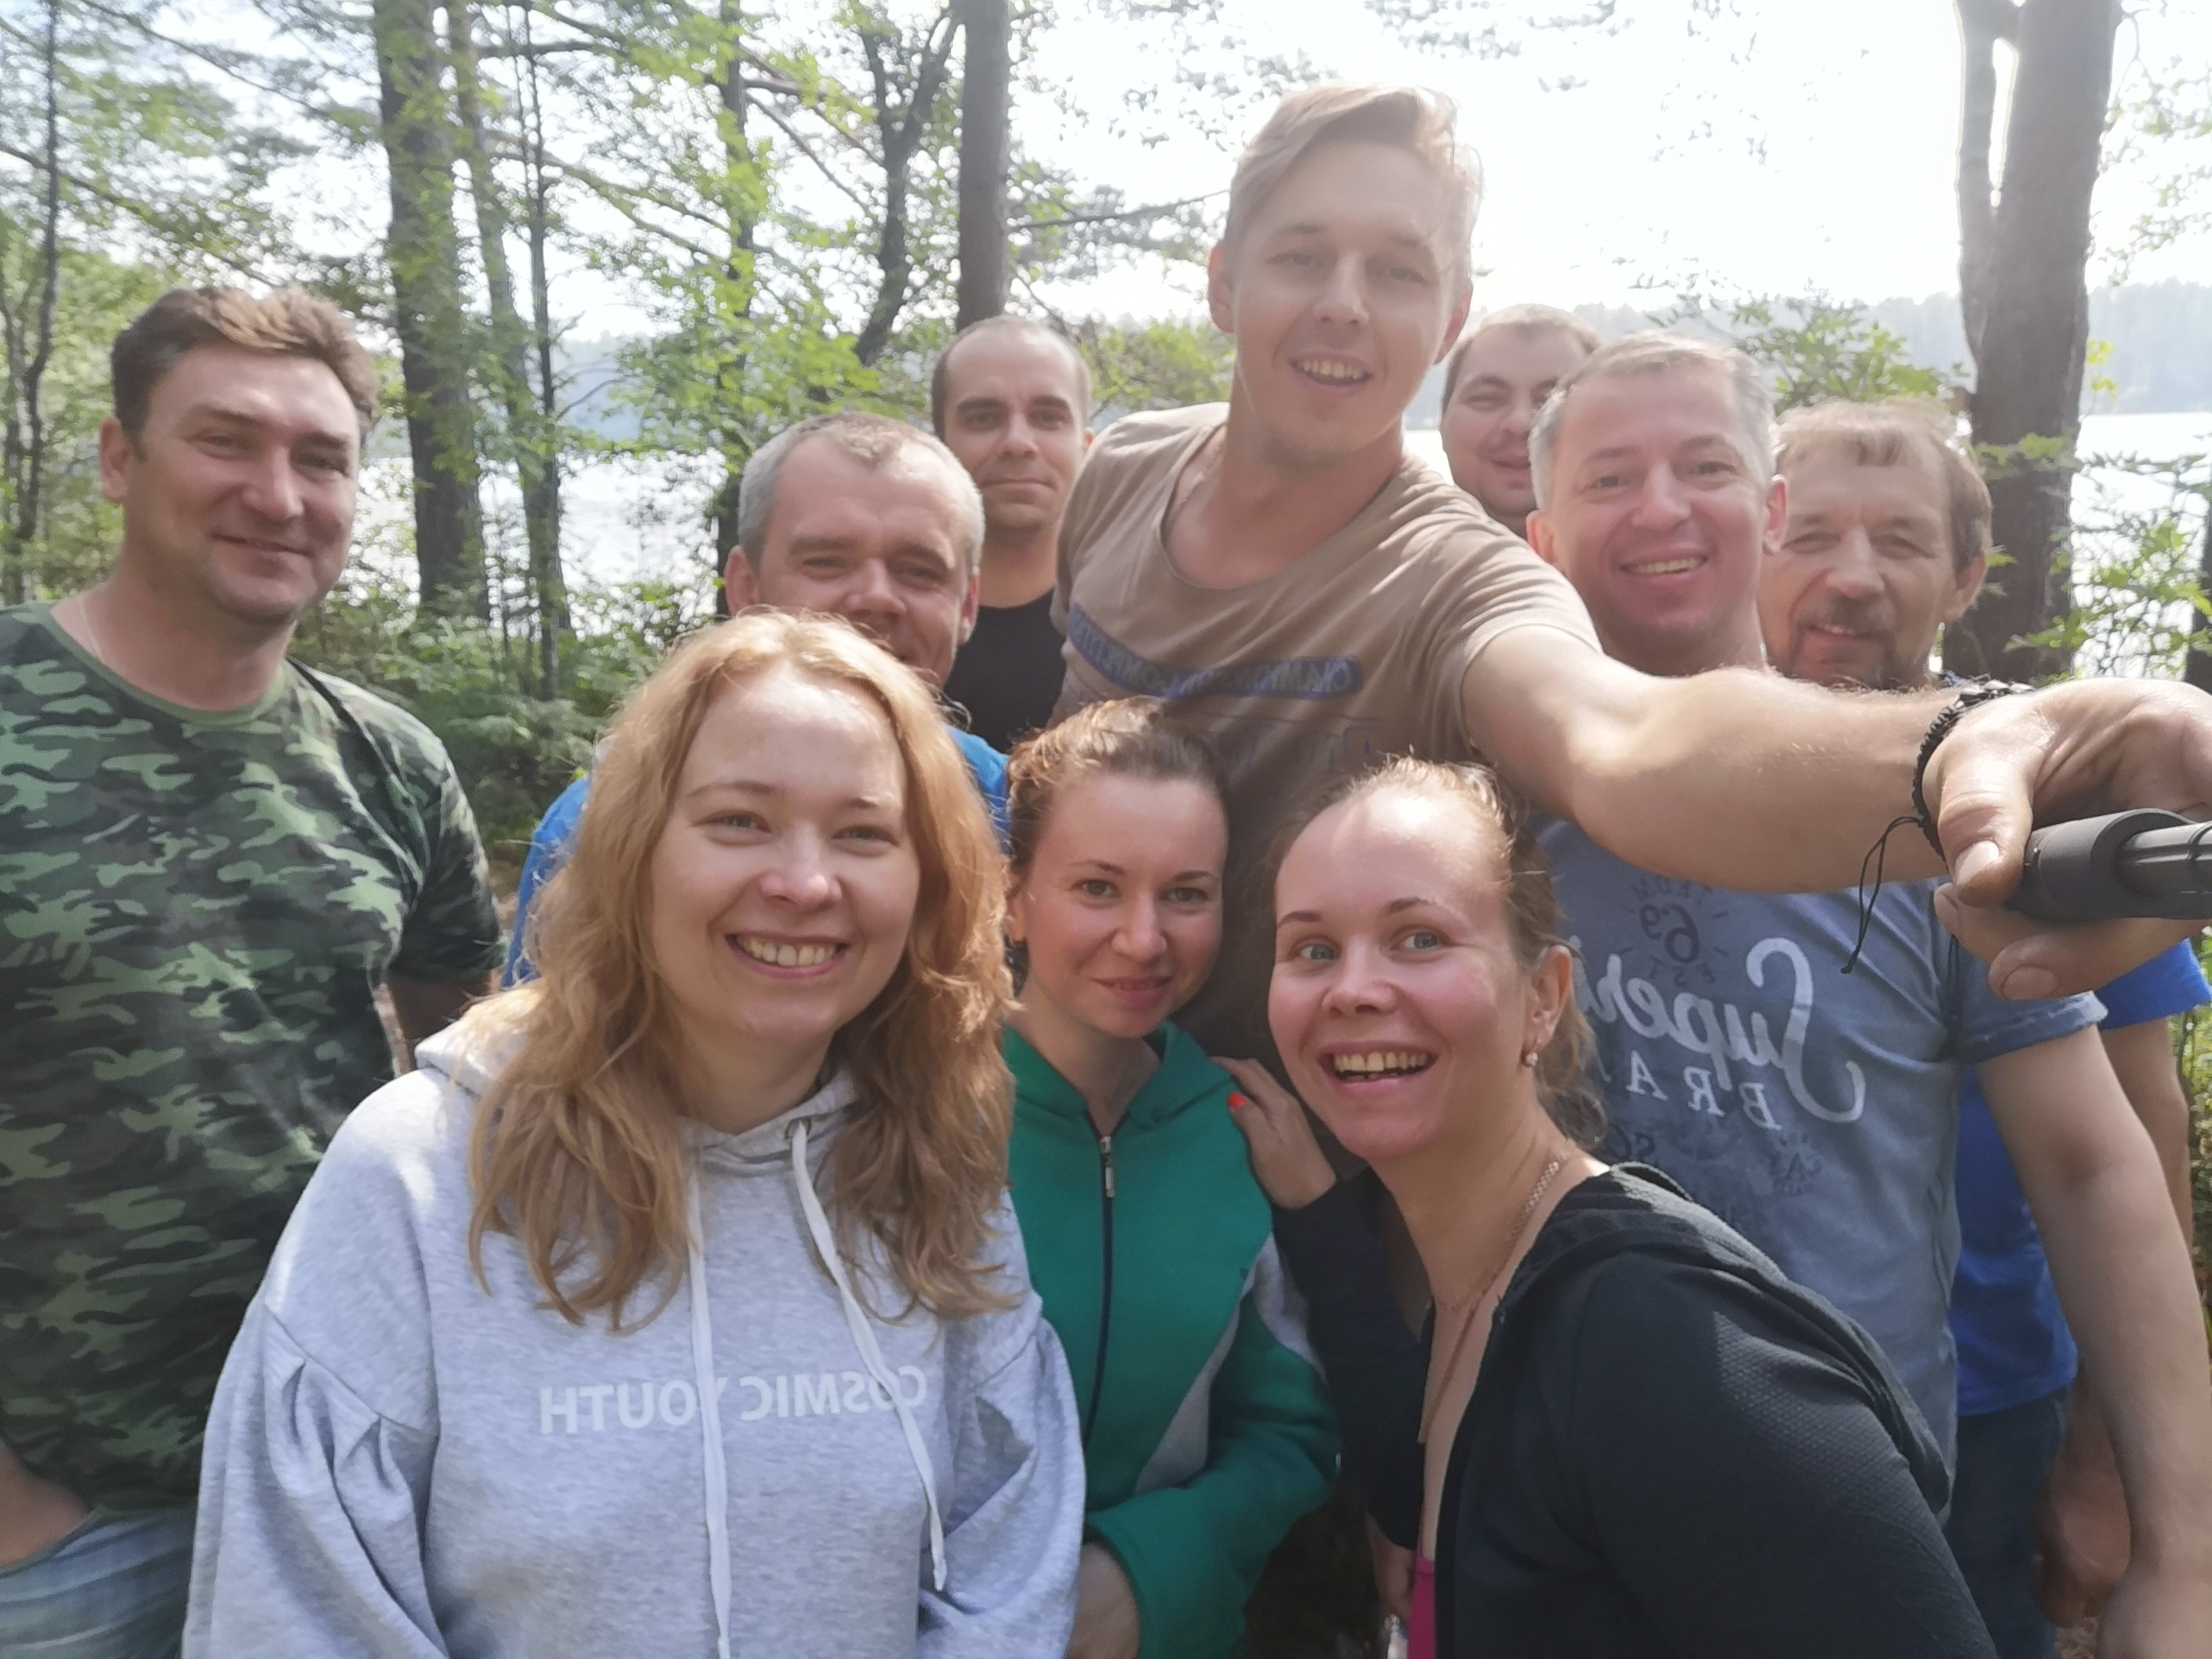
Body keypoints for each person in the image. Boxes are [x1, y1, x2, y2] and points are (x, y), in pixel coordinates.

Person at [1049, 81, 2212, 1073]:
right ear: (1222, 284)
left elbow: (1633, 746)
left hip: (1283, 1196)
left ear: (1449, 318)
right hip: (1037, 1106)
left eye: (1397, 271)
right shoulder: (1121, 475)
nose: (1343, 303)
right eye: (1301, 256)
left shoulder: (1454, 583)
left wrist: (1980, 742)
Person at [185, 610, 1086, 1657]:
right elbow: (296, 1606)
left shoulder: (932, 1162)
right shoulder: (419, 1174)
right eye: (739, 821)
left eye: (863, 833)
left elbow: (1007, 1554)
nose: (804, 883)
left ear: (925, 879)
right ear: (633, 850)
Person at [1521, 334, 2212, 1646]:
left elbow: (2091, 1166)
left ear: (1768, 508)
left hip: (1866, 1505)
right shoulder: (1490, 814)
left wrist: (2182, 1551)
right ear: (1541, 537)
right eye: (1611, 477)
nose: (1663, 507)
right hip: (1553, 1507)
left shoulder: (1918, 799)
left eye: (1706, 466)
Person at [1224, 758, 1996, 1657]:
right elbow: (1431, 1476)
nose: (1351, 988)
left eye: (1418, 938)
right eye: (1313, 950)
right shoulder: (1478, 1295)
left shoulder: (1657, 1339)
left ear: (1542, 998)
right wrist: (1318, 1215)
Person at [0, 287, 503, 1659]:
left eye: (321, 459)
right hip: (60, 1532)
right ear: (120, 457)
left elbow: (479, 1089)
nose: (278, 495)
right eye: (227, 440)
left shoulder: (390, 764)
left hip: (330, 1475)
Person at [1763, 397, 2212, 1659]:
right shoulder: (1688, 790)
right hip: (1738, 1382)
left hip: (1995, 1388)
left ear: (1965, 577)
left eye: (1901, 541)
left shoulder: (2048, 805)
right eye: (1811, 535)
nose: (1853, 576)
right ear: (1752, 543)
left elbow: (2136, 1137)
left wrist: (2110, 1466)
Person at [999, 701, 1335, 1659]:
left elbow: (1290, 1433)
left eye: (1185, 894)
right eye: (1096, 888)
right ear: (1013, 897)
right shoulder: (908, 1119)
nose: (1143, 939)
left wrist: (1149, 1570)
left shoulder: (1238, 1132)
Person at [506, 410, 1008, 981]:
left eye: (918, 571)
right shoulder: (601, 820)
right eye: (826, 562)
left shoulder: (1013, 811)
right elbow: (550, 1030)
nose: (876, 598)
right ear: (745, 588)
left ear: (967, 605)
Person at [934, 316, 1093, 751]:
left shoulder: (1128, 624)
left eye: (1048, 418)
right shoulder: (889, 616)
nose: (1018, 442)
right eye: (984, 418)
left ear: (1087, 448)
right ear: (939, 447)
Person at [1434, 305, 1599, 537]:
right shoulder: (1388, 551)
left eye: (1552, 400)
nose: (1520, 424)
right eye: (1487, 399)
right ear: (1442, 423)